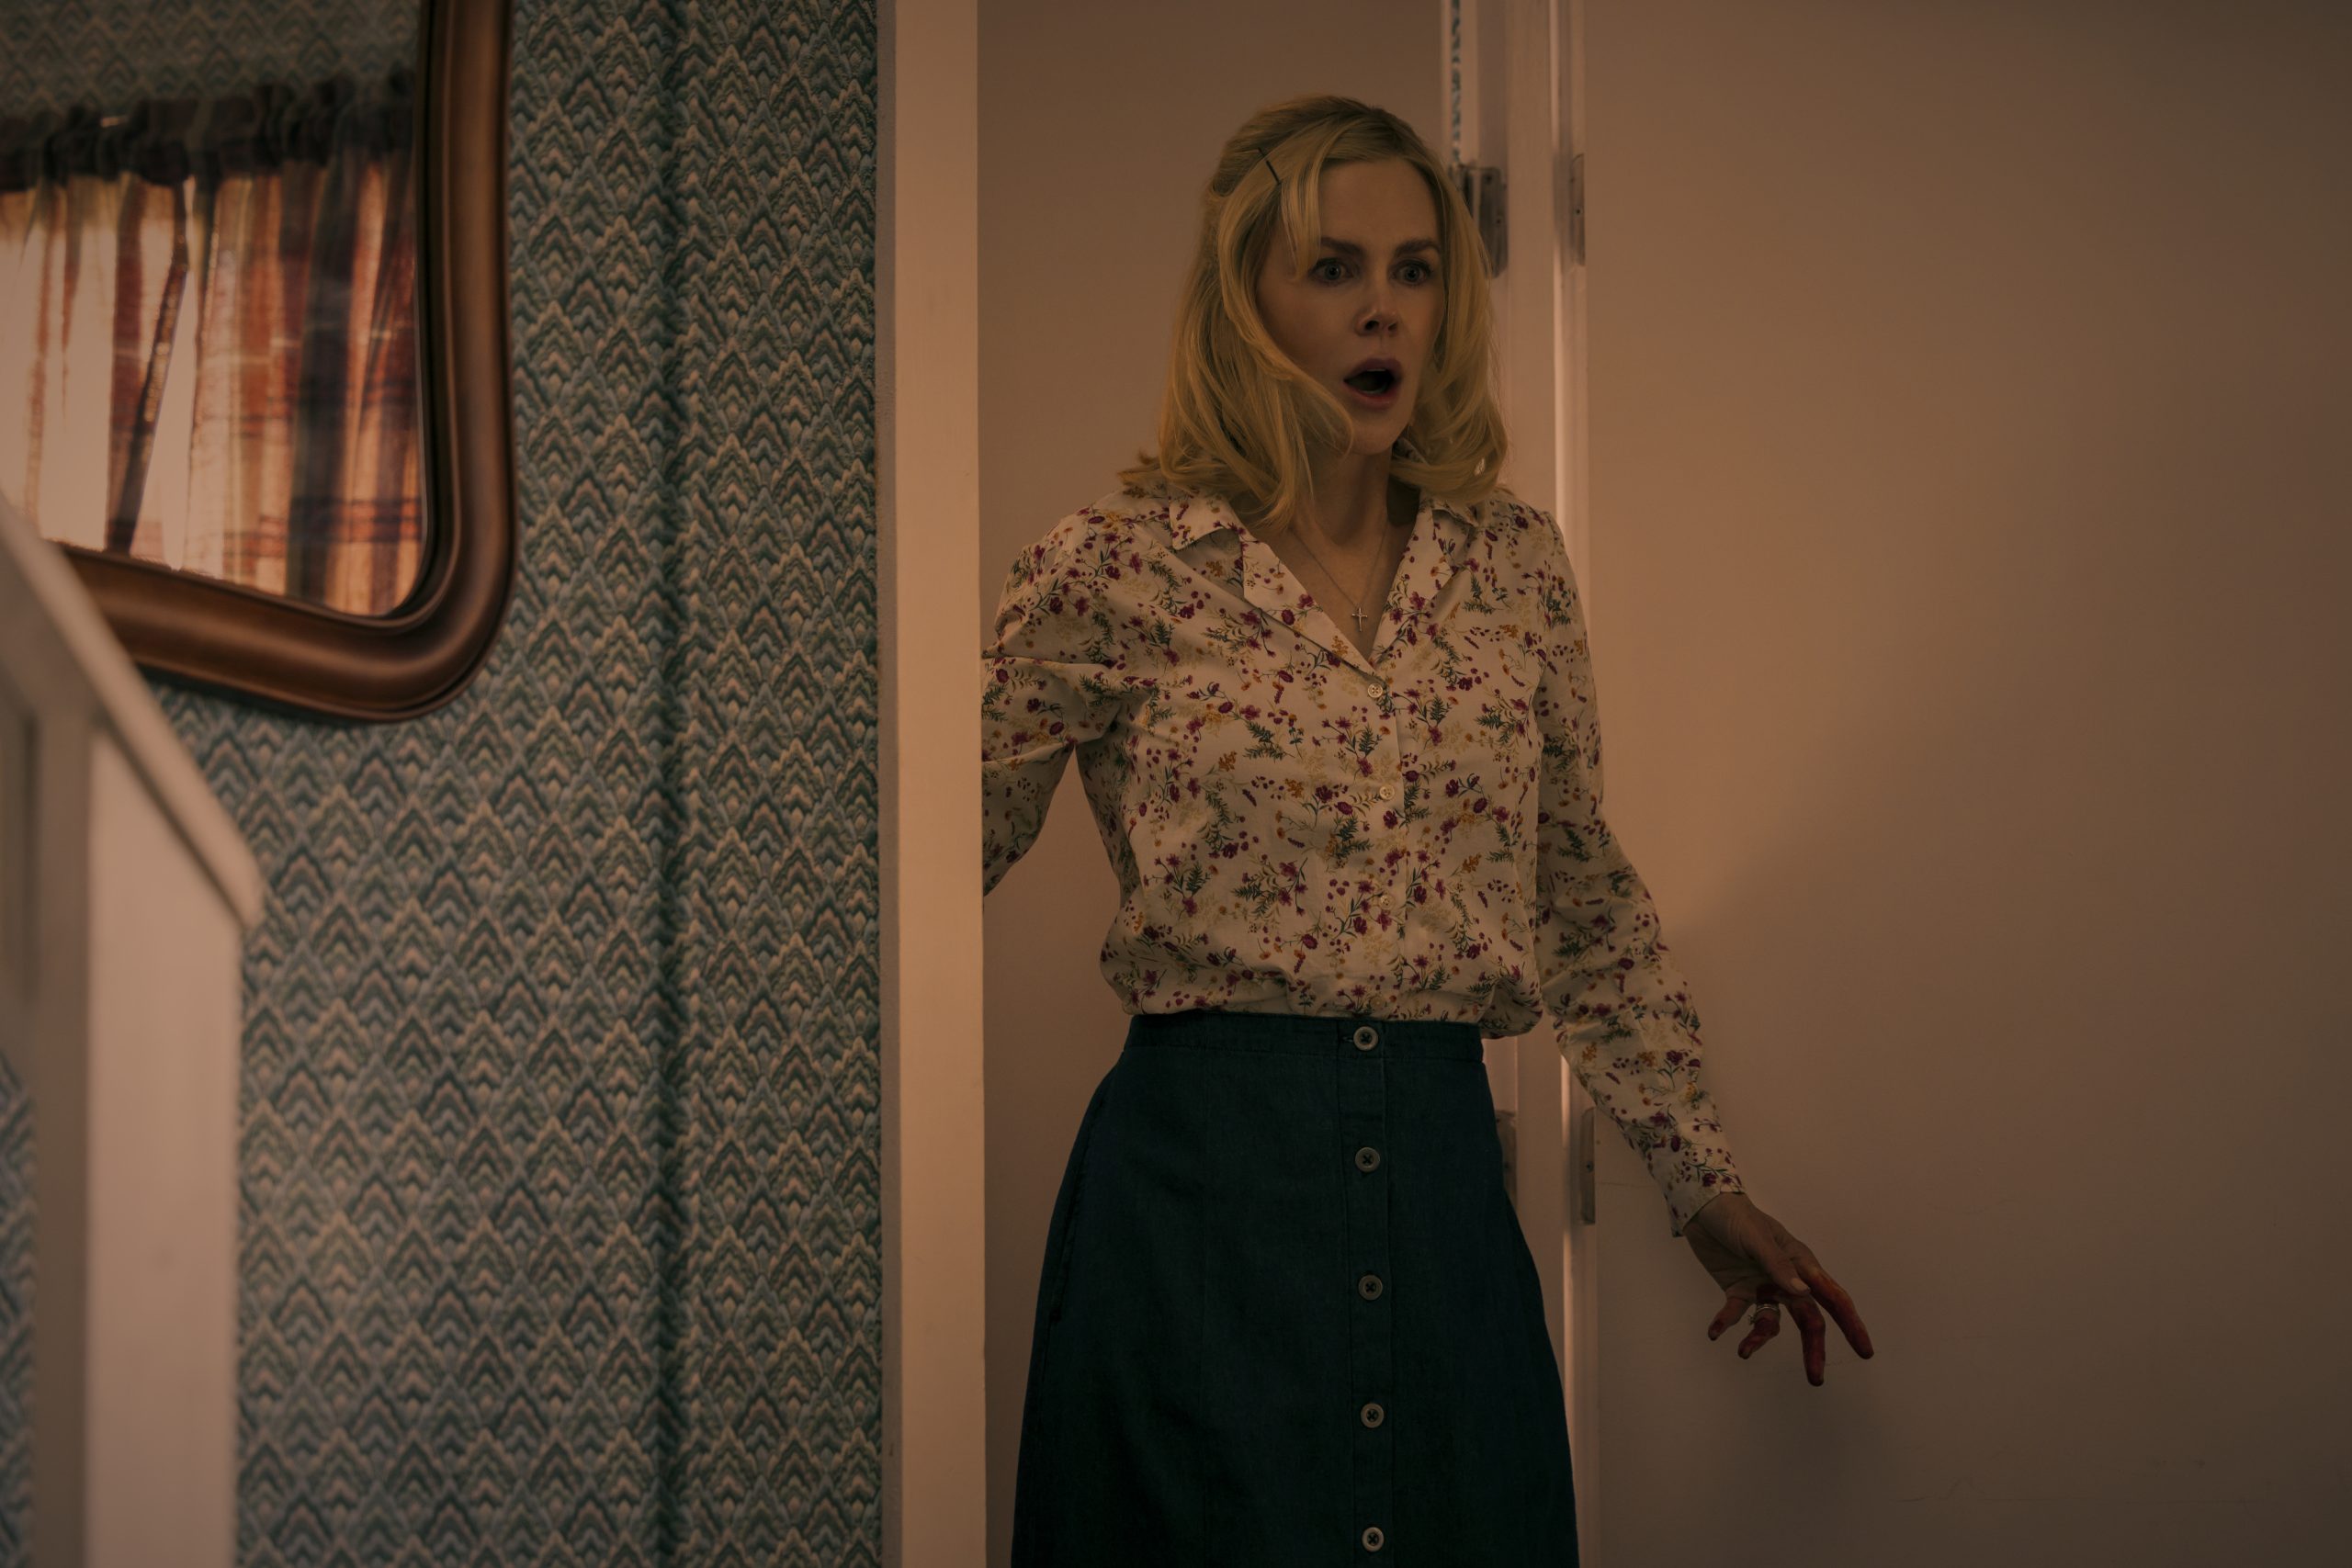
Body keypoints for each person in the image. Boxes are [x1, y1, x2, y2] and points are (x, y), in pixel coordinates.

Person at [982, 93, 1873, 1564]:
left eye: (1414, 269)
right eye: (1333, 268)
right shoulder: (1113, 568)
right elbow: (910, 873)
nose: (1382, 308)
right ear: (1246, 302)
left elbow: (1578, 896)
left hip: (1445, 1202)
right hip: (1197, 1214)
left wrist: (1701, 1182)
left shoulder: (1513, 564)